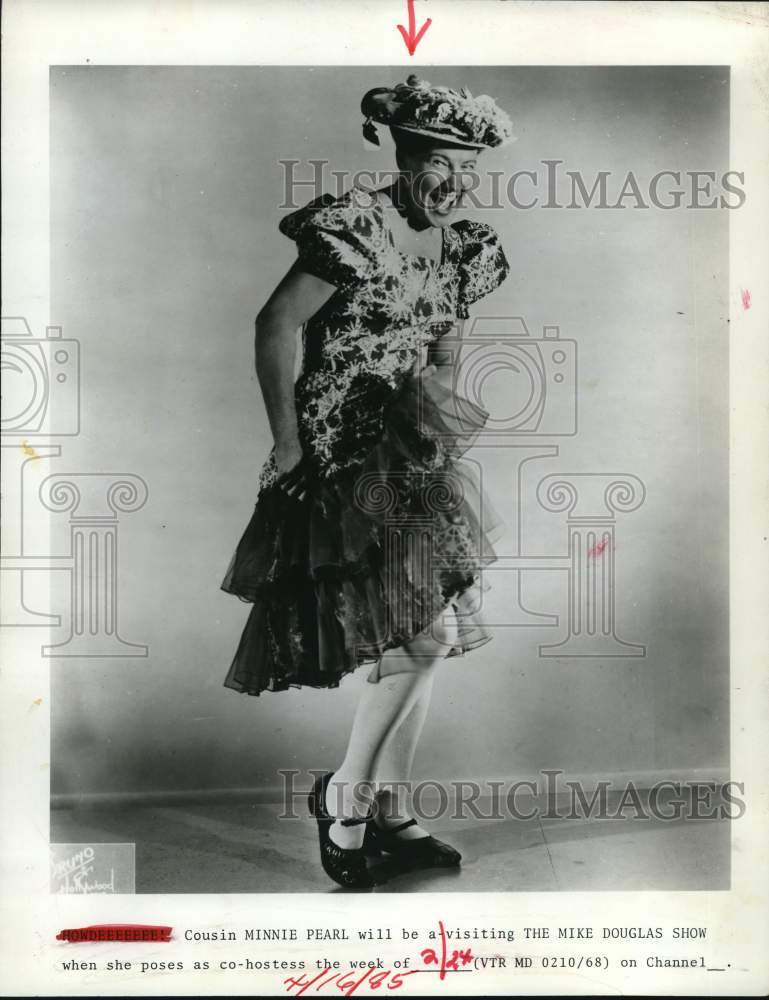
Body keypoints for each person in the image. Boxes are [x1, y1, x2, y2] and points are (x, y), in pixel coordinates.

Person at [221, 75, 513, 889]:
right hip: (336, 456)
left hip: (408, 457)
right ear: (402, 154)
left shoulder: (463, 247)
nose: (452, 183)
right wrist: (286, 441)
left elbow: (445, 352)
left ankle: (386, 810)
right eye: (436, 165)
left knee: (431, 638)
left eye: (466, 168)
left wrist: (433, 418)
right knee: (421, 639)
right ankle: (346, 801)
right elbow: (276, 324)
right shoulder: (352, 225)